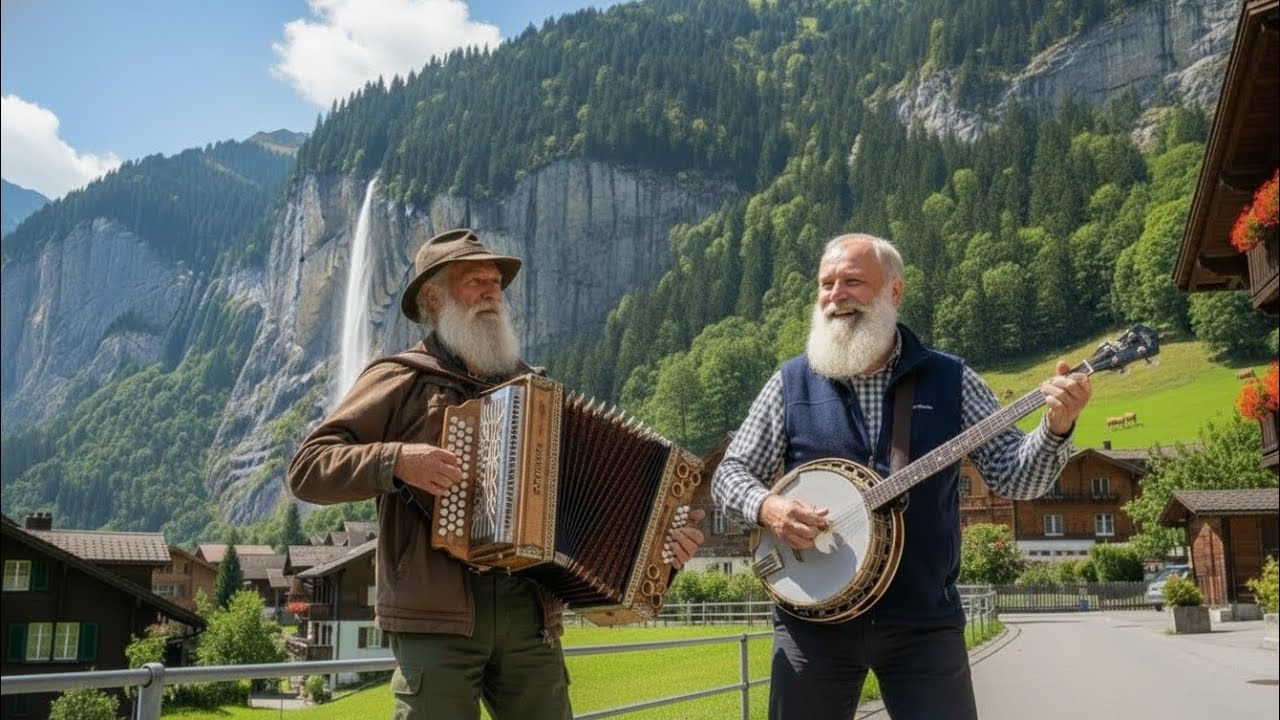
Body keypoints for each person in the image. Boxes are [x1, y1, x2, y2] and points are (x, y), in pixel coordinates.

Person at [288, 227, 705, 720]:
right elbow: (308, 467)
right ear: (433, 296)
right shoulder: (399, 377)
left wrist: (661, 544)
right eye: (474, 280)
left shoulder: (536, 390)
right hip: (436, 618)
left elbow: (594, 505)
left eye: (495, 282)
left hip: (528, 617)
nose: (491, 291)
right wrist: (396, 461)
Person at [712, 233, 1092, 720]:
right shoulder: (790, 382)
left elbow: (1015, 477)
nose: (835, 296)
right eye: (826, 284)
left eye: (852, 282)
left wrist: (1056, 428)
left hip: (923, 622)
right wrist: (768, 507)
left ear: (894, 291)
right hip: (812, 624)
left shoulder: (950, 379)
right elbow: (729, 474)